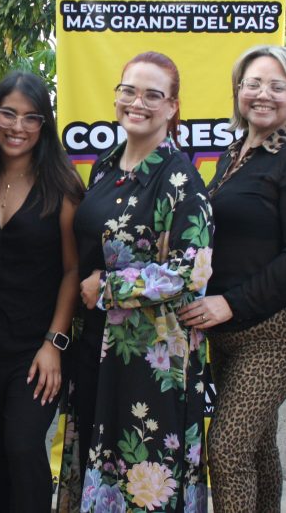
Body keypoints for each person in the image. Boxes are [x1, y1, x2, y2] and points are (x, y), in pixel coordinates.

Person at [177, 46, 286, 512]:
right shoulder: (234, 154)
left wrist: (231, 303)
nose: (263, 94)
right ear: (238, 91)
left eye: (277, 86)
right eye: (253, 83)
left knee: (227, 450)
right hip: (228, 331)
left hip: (279, 330)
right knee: (257, 448)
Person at [59, 51, 213, 513]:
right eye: (128, 91)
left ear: (172, 107)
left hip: (151, 357)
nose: (137, 102)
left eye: (152, 95)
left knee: (143, 478)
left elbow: (192, 271)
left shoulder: (180, 179)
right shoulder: (106, 165)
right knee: (98, 462)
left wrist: (108, 287)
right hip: (97, 347)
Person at [0, 71, 83, 513]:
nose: (18, 126)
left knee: (23, 447)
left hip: (35, 350)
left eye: (31, 117)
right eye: (8, 114)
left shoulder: (62, 185)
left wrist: (54, 343)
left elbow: (73, 270)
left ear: (44, 124)